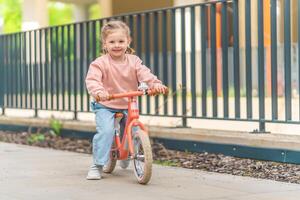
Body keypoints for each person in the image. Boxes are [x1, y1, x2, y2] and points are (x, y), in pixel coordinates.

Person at [85, 20, 167, 180]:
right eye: (112, 42)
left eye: (121, 41)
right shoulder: (99, 63)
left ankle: (129, 152)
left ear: (128, 41)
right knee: (107, 131)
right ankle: (97, 165)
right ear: (105, 44)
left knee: (134, 130)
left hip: (128, 103)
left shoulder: (134, 61)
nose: (117, 45)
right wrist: (99, 91)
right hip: (106, 104)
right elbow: (92, 80)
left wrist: (155, 84)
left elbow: (145, 74)